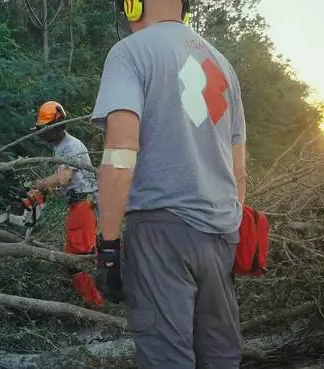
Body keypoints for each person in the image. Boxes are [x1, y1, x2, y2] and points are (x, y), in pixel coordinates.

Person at [90, 0, 247, 368]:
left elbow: (120, 156)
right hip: (221, 235)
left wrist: (109, 248)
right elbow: (239, 174)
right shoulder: (224, 66)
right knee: (220, 356)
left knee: (166, 358)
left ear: (132, 6)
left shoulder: (129, 52)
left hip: (160, 235)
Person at [29, 101, 106, 308]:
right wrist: (43, 191)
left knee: (79, 260)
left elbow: (63, 178)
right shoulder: (60, 147)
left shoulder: (71, 146)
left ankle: (97, 305)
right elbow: (62, 182)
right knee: (77, 259)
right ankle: (94, 302)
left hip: (84, 204)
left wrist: (42, 183)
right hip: (77, 205)